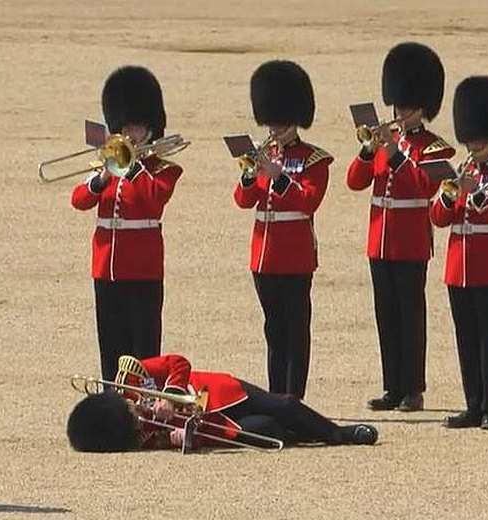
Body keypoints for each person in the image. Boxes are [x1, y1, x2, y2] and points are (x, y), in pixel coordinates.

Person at [346, 42, 455, 412]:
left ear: (423, 108)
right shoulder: (382, 142)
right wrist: (367, 151)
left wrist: (395, 156)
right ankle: (392, 385)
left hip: (410, 241)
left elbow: (425, 187)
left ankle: (413, 387)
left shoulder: (435, 148)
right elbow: (354, 181)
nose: (400, 112)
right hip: (380, 239)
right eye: (398, 105)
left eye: (407, 107)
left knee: (410, 315)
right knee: (386, 314)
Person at [71, 66, 183, 381]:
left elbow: (152, 199)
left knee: (143, 353)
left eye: (135, 127)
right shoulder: (107, 163)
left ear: (148, 128)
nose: (129, 133)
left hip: (142, 271)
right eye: (126, 127)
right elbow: (79, 200)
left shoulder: (162, 169)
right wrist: (103, 177)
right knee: (111, 348)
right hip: (105, 268)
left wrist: (130, 166)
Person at [232, 60, 332, 399]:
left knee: (295, 331)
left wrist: (280, 177)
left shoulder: (314, 159)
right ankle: (276, 396)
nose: (273, 128)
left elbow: (308, 201)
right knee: (273, 330)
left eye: (280, 121)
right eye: (271, 121)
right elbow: (244, 201)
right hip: (264, 256)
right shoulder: (264, 155)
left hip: (294, 257)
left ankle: (294, 397)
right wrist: (250, 175)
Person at [430, 76, 488, 429]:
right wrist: (453, 193)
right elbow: (438, 217)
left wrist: (482, 197)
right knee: (466, 338)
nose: (473, 149)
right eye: (471, 143)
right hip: (459, 267)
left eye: (480, 144)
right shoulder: (461, 173)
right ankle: (473, 404)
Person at [66, 354, 378, 452]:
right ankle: (309, 436)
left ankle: (339, 435)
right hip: (213, 424)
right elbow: (180, 439)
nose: (138, 416)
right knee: (271, 430)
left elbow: (177, 363)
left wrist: (171, 398)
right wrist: (180, 439)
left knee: (285, 406)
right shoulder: (139, 436)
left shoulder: (130, 378)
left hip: (218, 391)